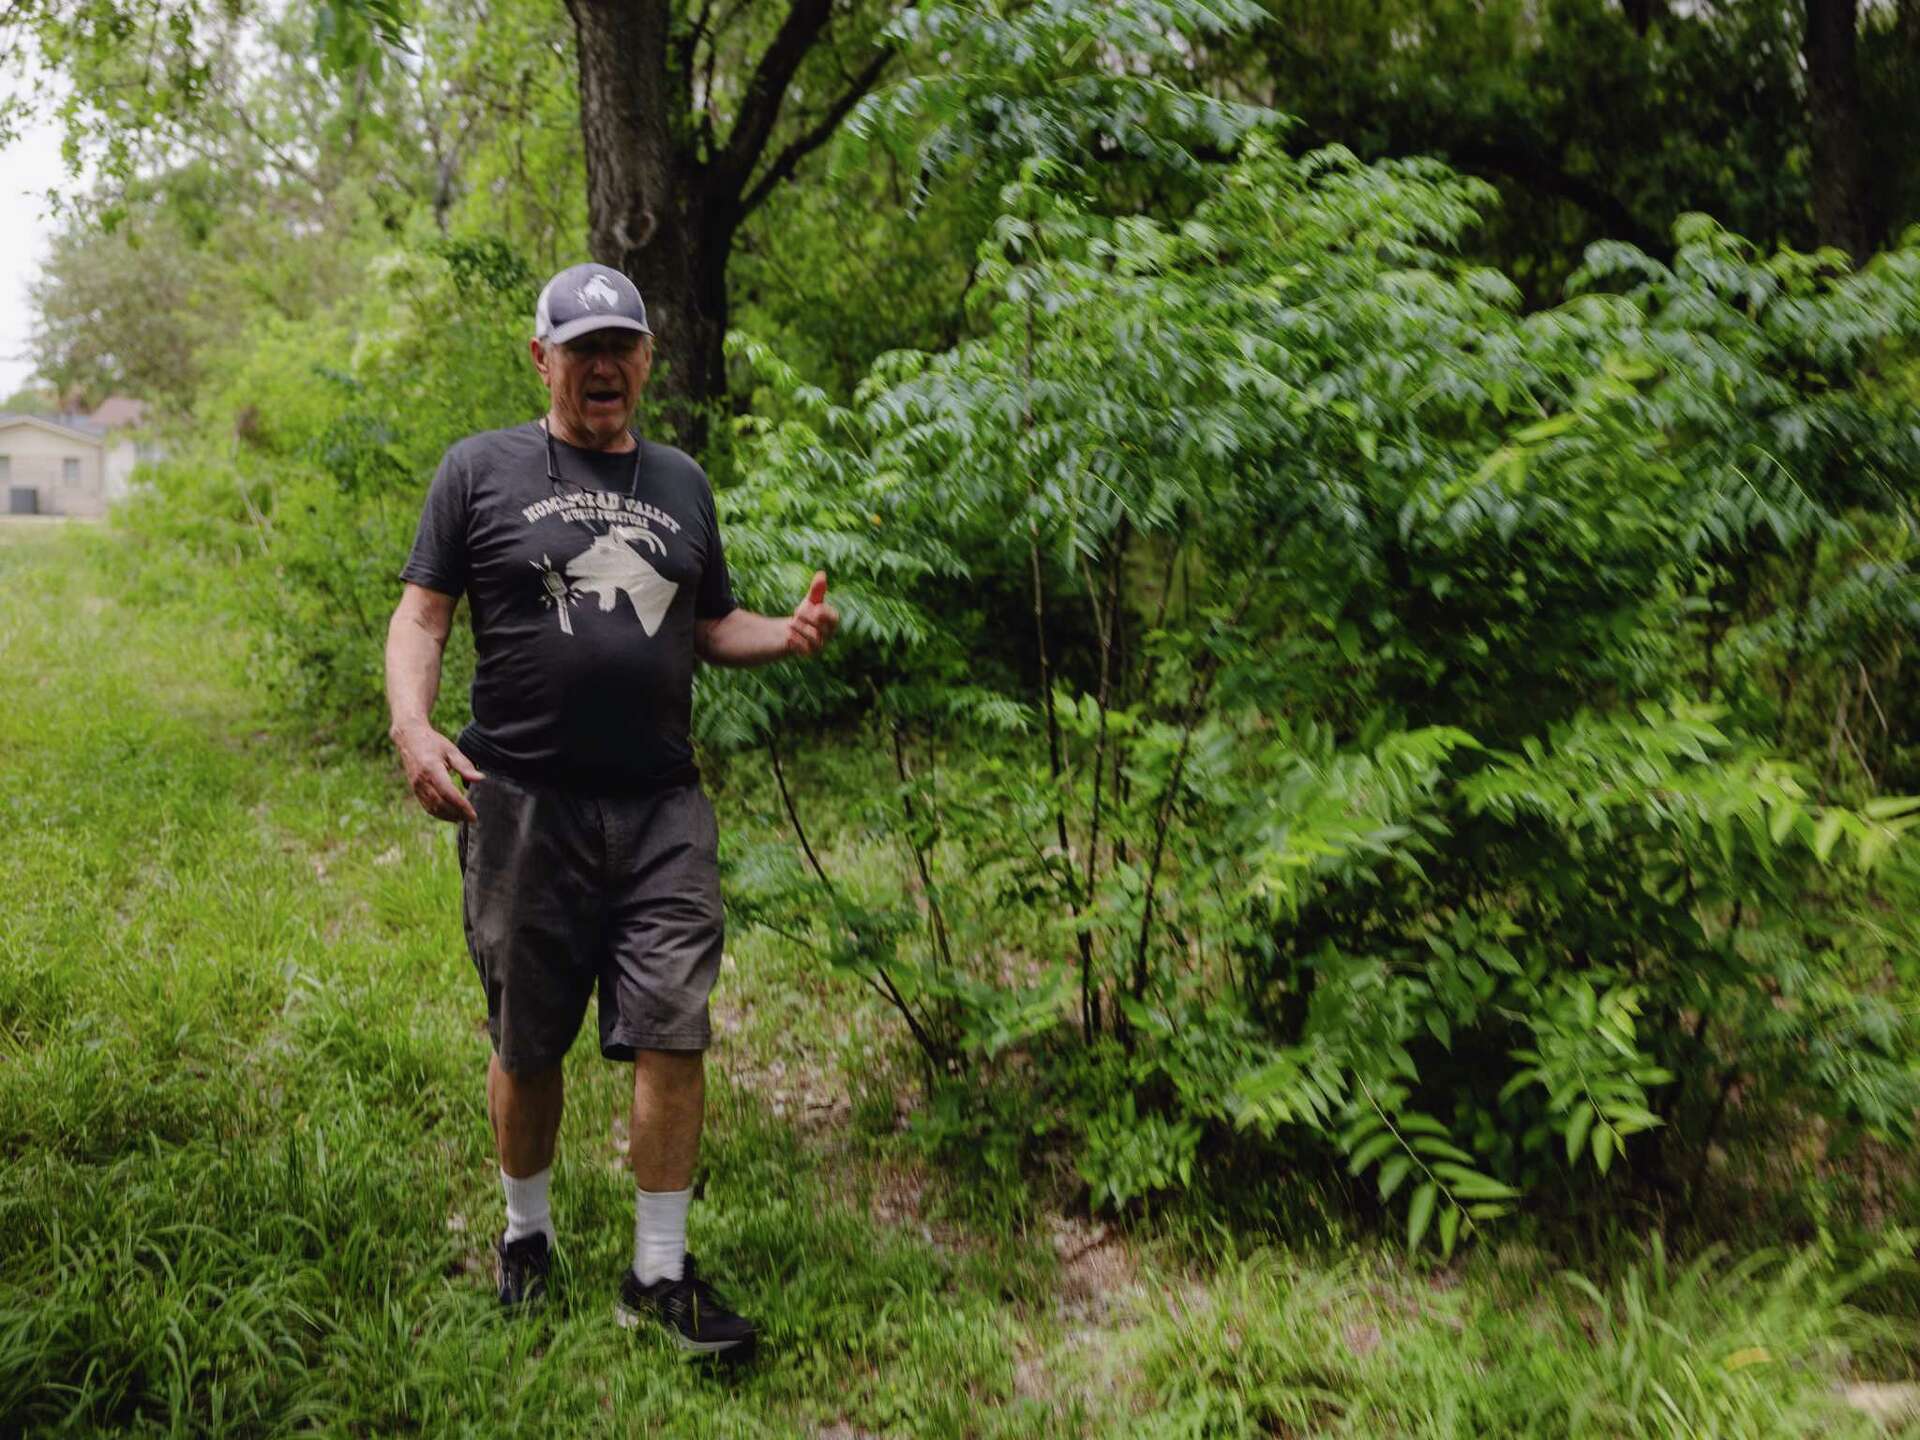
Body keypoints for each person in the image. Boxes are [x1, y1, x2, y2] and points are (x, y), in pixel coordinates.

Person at [383, 261, 838, 1361]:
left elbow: (709, 623)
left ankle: (659, 1275)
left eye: (620, 346)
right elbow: (423, 617)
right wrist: (414, 726)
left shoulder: (680, 480)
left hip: (661, 807)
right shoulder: (479, 470)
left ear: (646, 359)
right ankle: (526, 1235)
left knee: (674, 1026)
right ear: (541, 358)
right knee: (528, 1039)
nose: (603, 366)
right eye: (582, 347)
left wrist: (781, 635)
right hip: (522, 804)